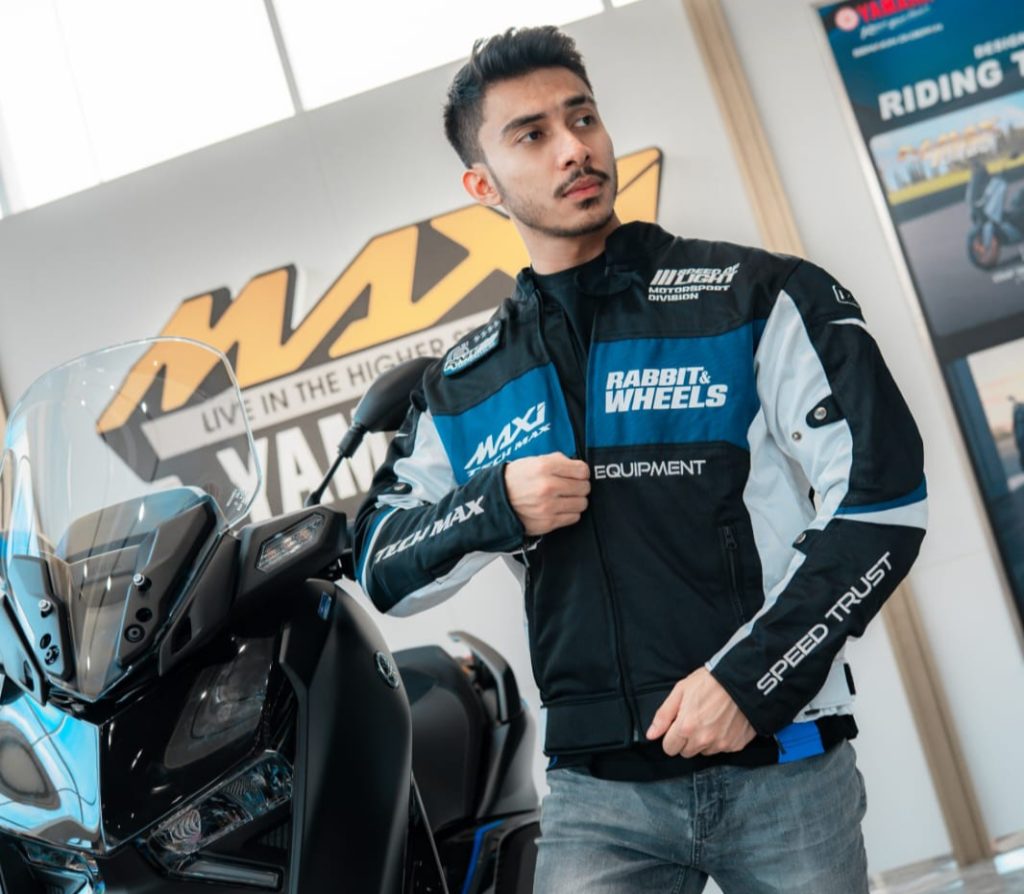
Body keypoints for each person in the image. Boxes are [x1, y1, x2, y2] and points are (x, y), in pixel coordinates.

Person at [354, 26, 927, 894]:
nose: (574, 148)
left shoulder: (757, 295)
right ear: (482, 185)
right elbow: (379, 563)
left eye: (582, 117)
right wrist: (494, 506)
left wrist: (752, 680)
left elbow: (884, 502)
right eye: (532, 135)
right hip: (598, 802)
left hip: (783, 764)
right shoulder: (465, 385)